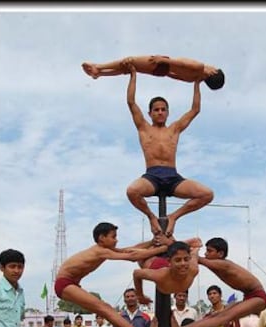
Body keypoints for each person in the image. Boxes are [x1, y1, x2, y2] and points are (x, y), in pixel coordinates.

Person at [125, 64, 214, 237]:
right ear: (150, 113)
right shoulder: (143, 127)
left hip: (172, 176)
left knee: (207, 194)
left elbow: (195, 110)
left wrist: (197, 83)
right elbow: (131, 102)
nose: (160, 112)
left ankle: (173, 217)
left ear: (167, 112)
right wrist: (133, 75)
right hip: (152, 176)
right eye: (156, 110)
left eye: (163, 109)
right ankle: (151, 218)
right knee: (132, 191)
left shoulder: (174, 129)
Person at [54, 222, 169, 327]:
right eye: (113, 237)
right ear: (102, 238)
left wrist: (151, 243)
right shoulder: (100, 251)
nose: (116, 240)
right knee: (106, 309)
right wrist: (163, 248)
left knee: (105, 310)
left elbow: (130, 250)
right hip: (64, 284)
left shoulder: (105, 250)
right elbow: (132, 257)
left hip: (71, 283)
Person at [176, 237, 266, 327]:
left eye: (209, 251)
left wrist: (194, 250)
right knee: (216, 316)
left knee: (223, 318)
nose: (206, 253)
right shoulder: (216, 265)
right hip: (248, 296)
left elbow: (198, 259)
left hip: (258, 297)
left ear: (220, 254)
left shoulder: (224, 264)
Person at [82, 54, 225, 89]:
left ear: (213, 73)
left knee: (130, 60)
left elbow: (181, 63)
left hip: (163, 63)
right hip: (162, 72)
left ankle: (98, 67)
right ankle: (100, 73)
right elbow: (175, 77)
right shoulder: (194, 79)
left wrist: (163, 60)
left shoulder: (199, 67)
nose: (213, 66)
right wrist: (167, 72)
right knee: (129, 68)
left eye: (215, 68)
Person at [133, 240, 201, 305]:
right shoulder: (160, 275)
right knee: (141, 258)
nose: (183, 263)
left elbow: (194, 254)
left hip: (168, 260)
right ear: (169, 261)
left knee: (191, 245)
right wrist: (140, 296)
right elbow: (136, 273)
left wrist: (196, 249)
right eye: (178, 260)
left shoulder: (193, 269)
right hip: (155, 264)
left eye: (186, 259)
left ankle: (167, 246)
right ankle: (162, 246)